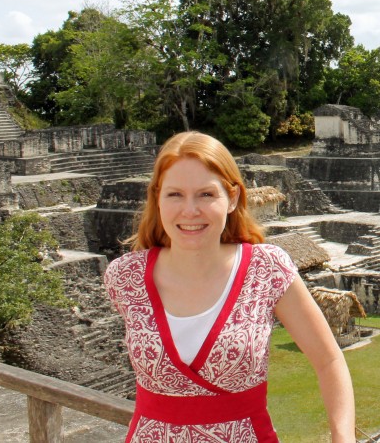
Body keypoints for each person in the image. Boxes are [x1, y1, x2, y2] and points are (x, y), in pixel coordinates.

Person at [104, 131, 356, 442]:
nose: (190, 210)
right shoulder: (126, 277)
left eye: (206, 194)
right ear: (156, 197)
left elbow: (329, 360)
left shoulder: (265, 269)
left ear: (232, 197)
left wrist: (342, 438)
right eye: (175, 194)